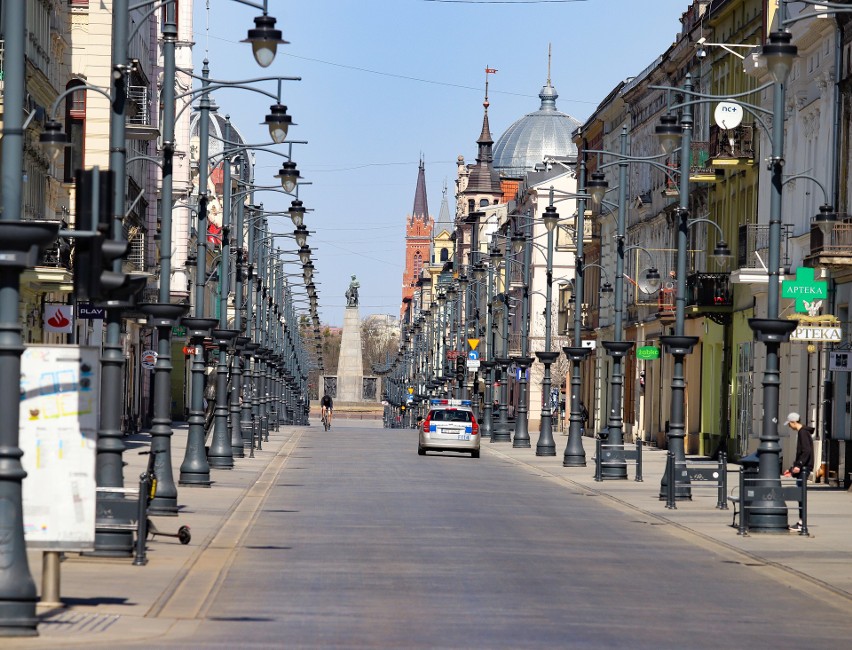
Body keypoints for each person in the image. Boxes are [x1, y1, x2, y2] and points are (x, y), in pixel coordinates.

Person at [783, 411, 814, 532]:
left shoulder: (802, 433)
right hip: (803, 468)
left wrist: (799, 466)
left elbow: (805, 451)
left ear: (793, 422)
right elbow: (803, 453)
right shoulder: (804, 432)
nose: (789, 426)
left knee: (801, 496)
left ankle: (802, 523)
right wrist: (792, 469)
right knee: (800, 495)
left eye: (789, 424)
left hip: (804, 469)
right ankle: (802, 522)